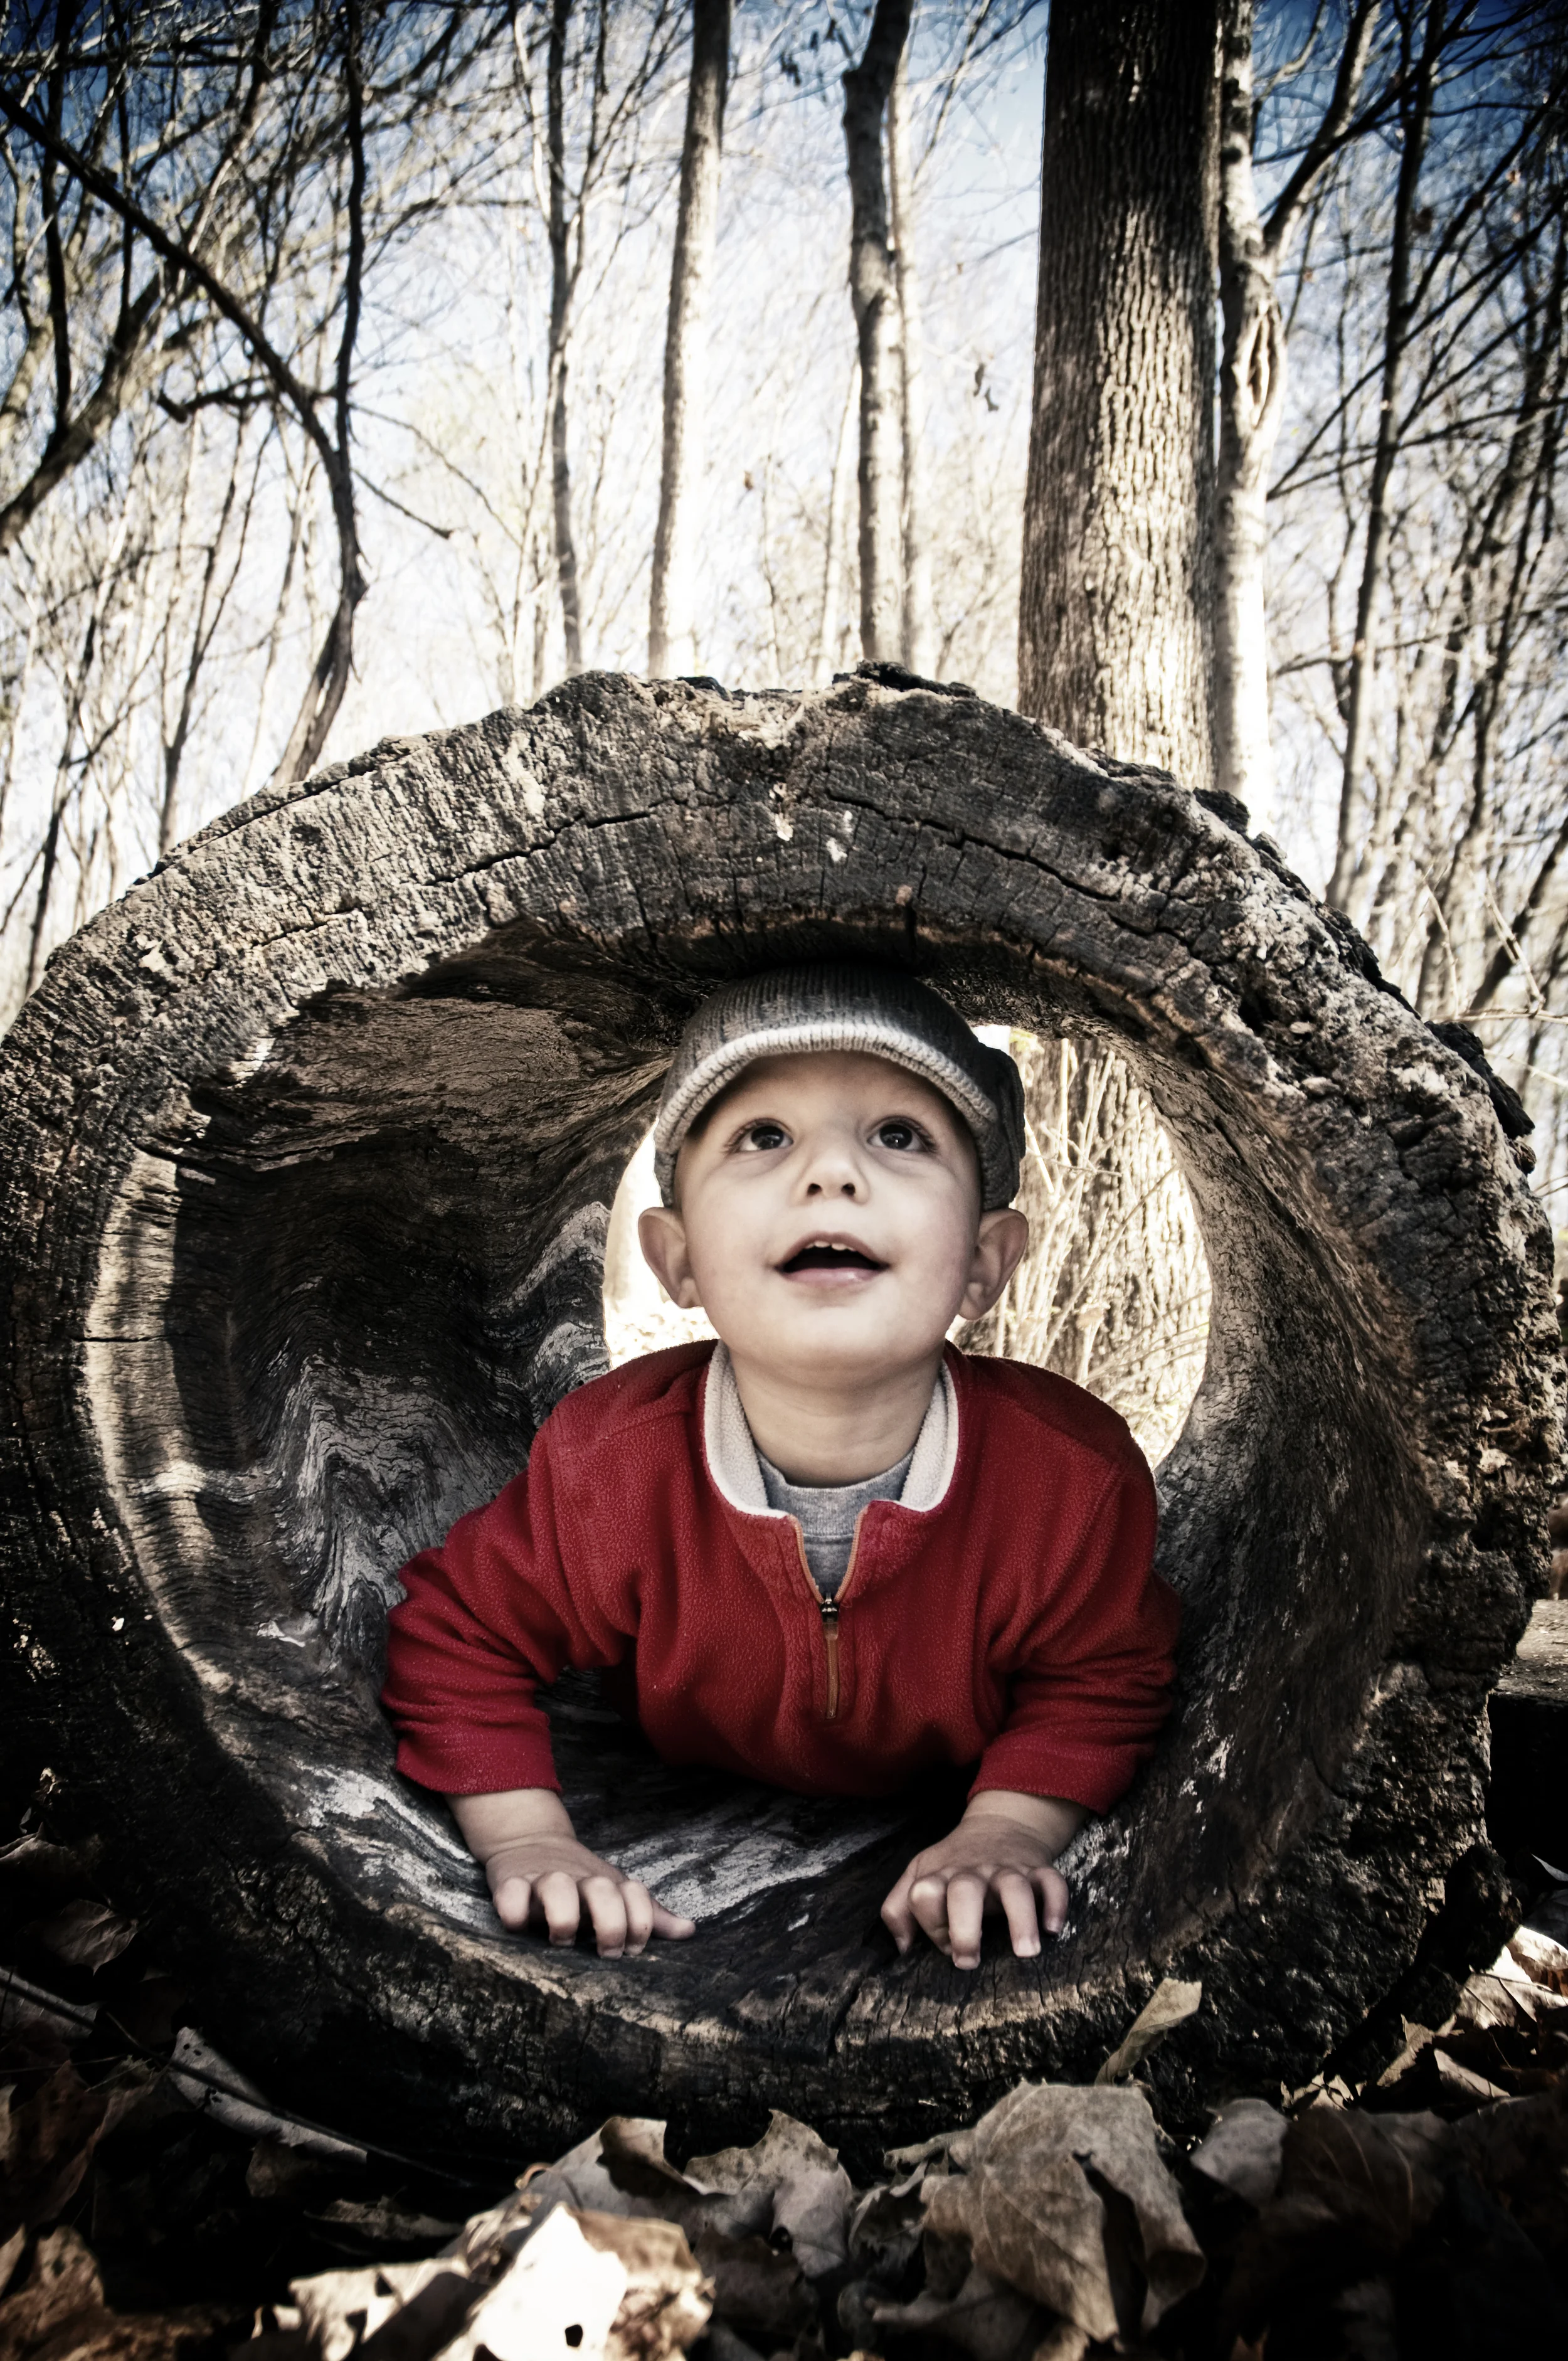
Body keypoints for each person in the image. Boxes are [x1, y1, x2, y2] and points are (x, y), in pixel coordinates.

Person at [381, 966, 1179, 1971]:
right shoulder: (612, 1468)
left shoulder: (1066, 1483)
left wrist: (1007, 1833)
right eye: (764, 1136)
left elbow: (1103, 1679)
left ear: (985, 1262)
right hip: (675, 1789)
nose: (832, 1174)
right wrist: (530, 1837)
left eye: (900, 1136)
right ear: (676, 1259)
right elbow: (459, 1638)